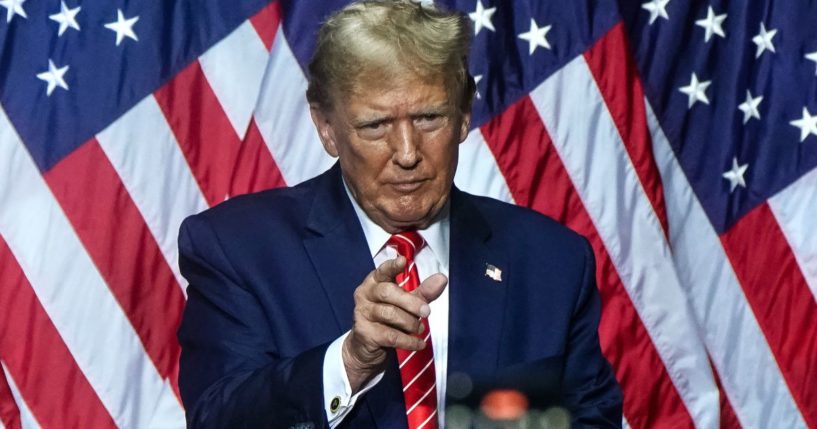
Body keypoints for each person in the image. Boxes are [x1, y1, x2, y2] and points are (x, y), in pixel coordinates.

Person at [176, 1, 622, 428]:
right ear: (327, 128)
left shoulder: (551, 261)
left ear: (464, 115)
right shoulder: (237, 250)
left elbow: (588, 419)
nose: (407, 154)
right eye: (375, 126)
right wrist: (350, 360)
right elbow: (217, 418)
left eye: (429, 118)